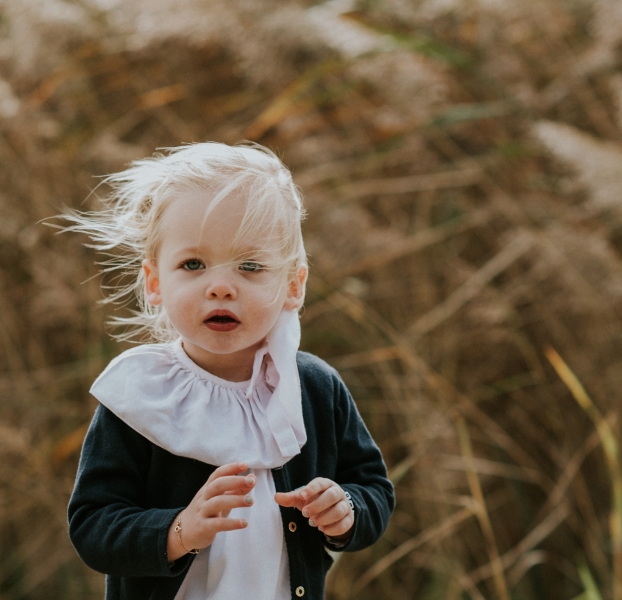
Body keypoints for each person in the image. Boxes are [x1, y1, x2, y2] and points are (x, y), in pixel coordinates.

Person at [65, 142, 394, 600]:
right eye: (193, 264)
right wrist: (179, 530)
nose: (220, 286)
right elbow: (93, 525)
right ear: (156, 281)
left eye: (251, 266)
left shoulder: (313, 388)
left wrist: (347, 510)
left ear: (292, 286)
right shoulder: (141, 395)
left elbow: (373, 487)